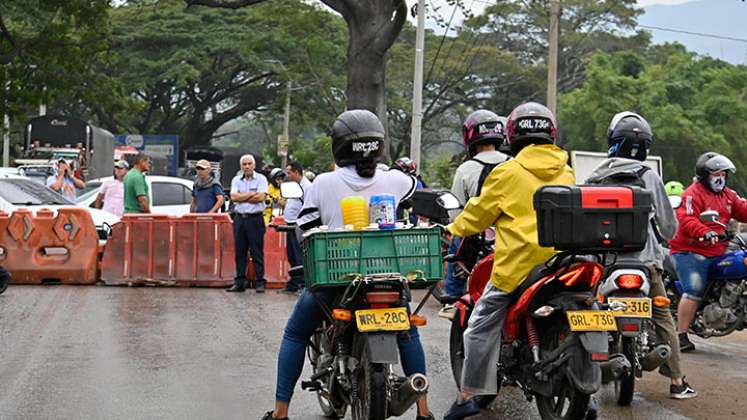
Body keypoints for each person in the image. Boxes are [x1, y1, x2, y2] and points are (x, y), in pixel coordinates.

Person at [262, 109, 432, 420]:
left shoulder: (324, 183)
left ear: (339, 145)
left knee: (296, 334)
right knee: (407, 332)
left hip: (337, 278)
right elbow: (417, 196)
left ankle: (280, 413)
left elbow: (305, 228)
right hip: (389, 277)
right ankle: (424, 410)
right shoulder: (396, 180)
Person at [442, 102, 575, 420]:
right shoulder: (566, 170)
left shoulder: (507, 173)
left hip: (517, 267)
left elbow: (476, 216)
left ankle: (467, 395)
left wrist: (451, 228)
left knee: (477, 328)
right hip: (560, 263)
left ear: (513, 134)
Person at [586, 111, 697, 400]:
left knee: (590, 308)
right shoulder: (649, 175)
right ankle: (676, 381)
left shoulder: (596, 176)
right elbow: (670, 227)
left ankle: (585, 370)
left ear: (612, 141)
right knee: (662, 317)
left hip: (606, 263)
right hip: (645, 263)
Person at [668, 152, 747, 352]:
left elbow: (742, 209)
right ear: (704, 175)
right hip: (689, 250)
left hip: (717, 249)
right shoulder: (692, 194)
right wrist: (706, 231)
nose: (720, 177)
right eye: (716, 173)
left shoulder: (728, 195)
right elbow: (687, 219)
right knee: (694, 287)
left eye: (723, 173)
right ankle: (681, 335)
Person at [443, 110, 510, 301]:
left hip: (478, 236)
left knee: (456, 244)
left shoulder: (465, 169)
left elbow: (455, 214)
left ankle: (452, 297)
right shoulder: (514, 164)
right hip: (509, 234)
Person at [228, 154, 268, 293]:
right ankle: (240, 282)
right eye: (244, 164)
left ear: (254, 165)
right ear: (241, 166)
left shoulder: (261, 179)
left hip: (255, 219)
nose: (247, 166)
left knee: (257, 251)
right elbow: (233, 197)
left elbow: (261, 197)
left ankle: (260, 282)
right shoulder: (236, 180)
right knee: (240, 251)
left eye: (249, 164)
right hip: (239, 219)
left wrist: (242, 197)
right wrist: (251, 195)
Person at [280, 160, 311, 294]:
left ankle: (303, 284)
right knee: (292, 255)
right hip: (290, 224)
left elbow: (308, 206)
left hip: (299, 225)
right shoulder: (294, 186)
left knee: (299, 256)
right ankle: (294, 282)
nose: (288, 175)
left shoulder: (307, 187)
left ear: (296, 172)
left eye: (289, 172)